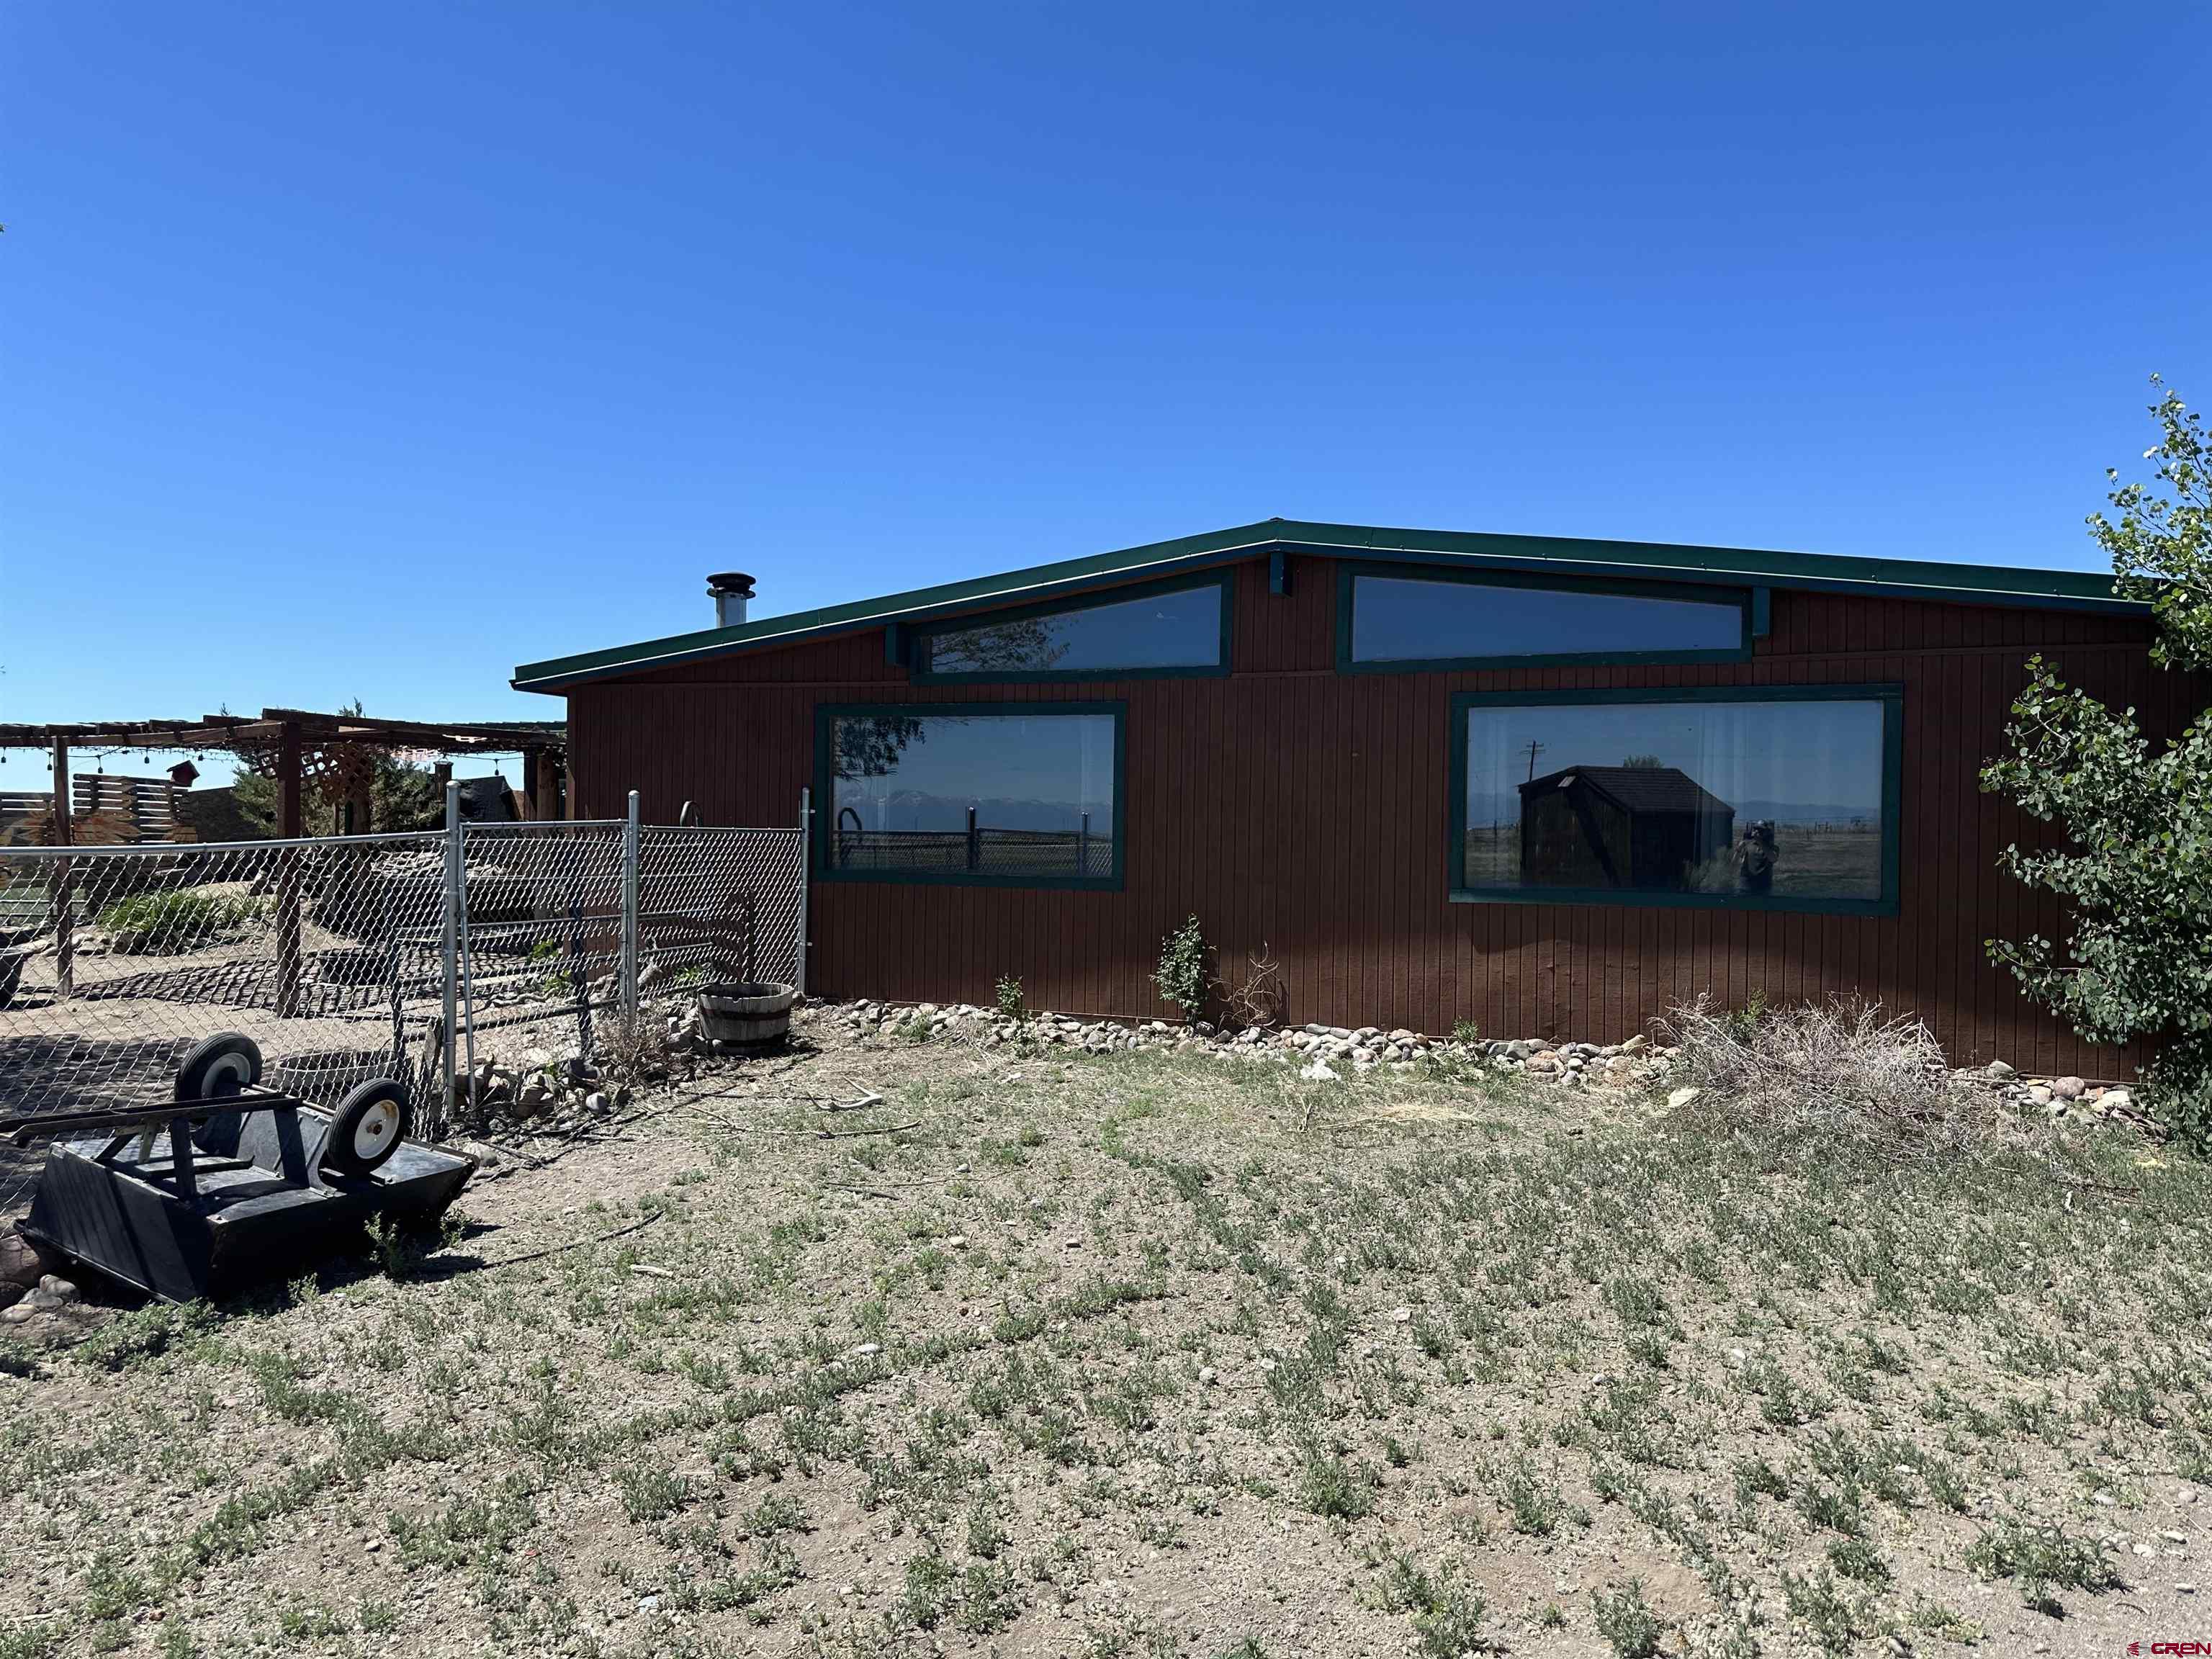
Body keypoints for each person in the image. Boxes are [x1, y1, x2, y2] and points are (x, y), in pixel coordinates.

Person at [1735, 820, 1778, 894]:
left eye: (1761, 830)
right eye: (1756, 829)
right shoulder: (1747, 844)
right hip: (1746, 885)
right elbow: (1734, 863)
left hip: (1763, 886)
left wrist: (1759, 840)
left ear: (1766, 833)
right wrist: (1738, 850)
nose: (1757, 831)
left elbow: (1773, 858)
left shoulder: (1773, 848)